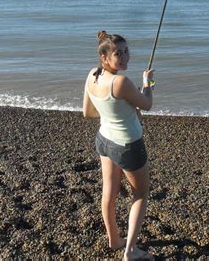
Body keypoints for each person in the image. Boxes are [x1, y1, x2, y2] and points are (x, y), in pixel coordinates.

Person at [83, 30, 154, 260]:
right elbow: (147, 104)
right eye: (118, 53)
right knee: (141, 193)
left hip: (104, 140)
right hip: (128, 145)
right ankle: (130, 251)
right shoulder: (121, 82)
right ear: (105, 57)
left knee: (109, 192)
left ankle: (114, 240)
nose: (124, 57)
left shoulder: (92, 75)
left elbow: (88, 112)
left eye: (126, 51)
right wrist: (148, 83)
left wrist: (112, 112)